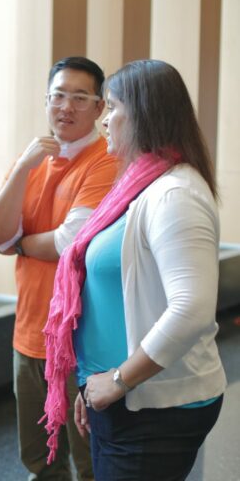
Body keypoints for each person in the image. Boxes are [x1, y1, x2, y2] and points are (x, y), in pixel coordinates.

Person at [43, 59, 227, 480]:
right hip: (121, 394)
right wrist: (94, 384)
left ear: (144, 115)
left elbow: (192, 309)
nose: (105, 121)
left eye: (112, 108)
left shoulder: (174, 193)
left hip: (156, 405)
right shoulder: (139, 184)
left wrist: (120, 380)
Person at [0, 57, 119, 480]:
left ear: (100, 109)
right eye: (58, 95)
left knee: (90, 462)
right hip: (30, 332)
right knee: (41, 462)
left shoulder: (106, 161)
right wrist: (24, 168)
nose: (67, 106)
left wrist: (20, 244)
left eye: (80, 97)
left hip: (82, 341)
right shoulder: (33, 158)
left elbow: (69, 241)